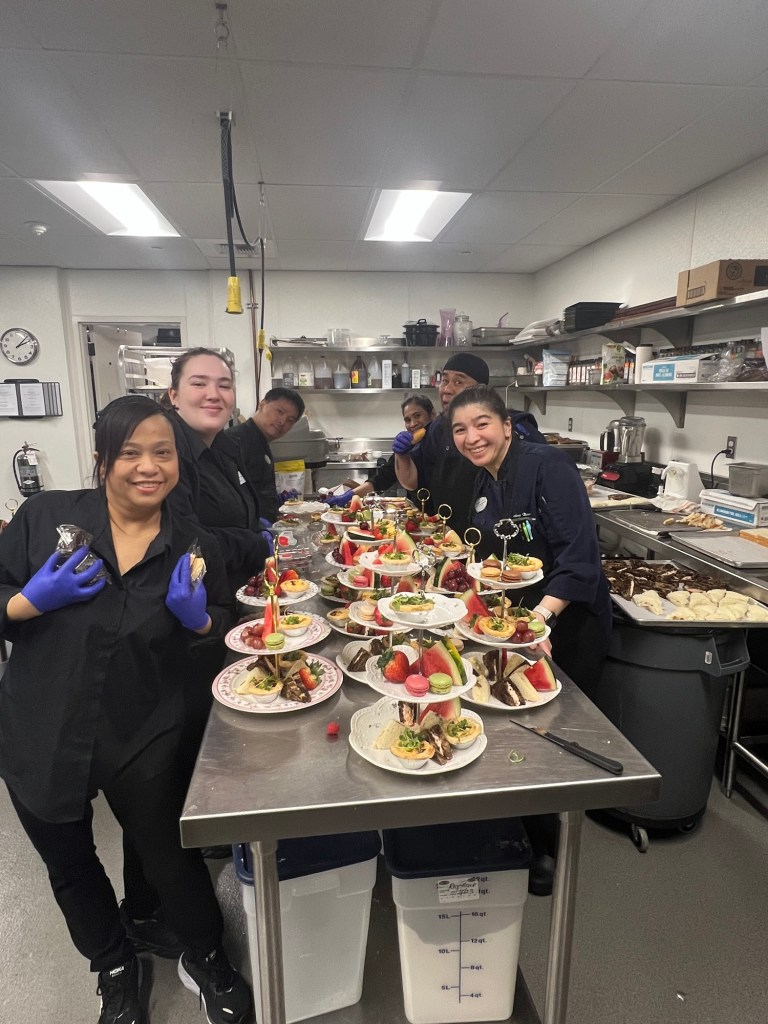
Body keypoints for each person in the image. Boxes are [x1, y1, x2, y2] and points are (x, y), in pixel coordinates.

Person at [0, 396, 251, 1024]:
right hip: (43, 726)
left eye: (162, 452)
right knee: (70, 864)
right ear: (102, 458)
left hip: (146, 729)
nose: (148, 466)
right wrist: (27, 602)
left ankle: (205, 954)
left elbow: (225, 625)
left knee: (170, 856)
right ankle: (114, 965)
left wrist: (200, 621)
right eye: (130, 452)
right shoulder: (44, 518)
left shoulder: (191, 542)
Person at [448, 384, 613, 894]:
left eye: (481, 424)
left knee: (552, 736)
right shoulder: (484, 477)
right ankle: (520, 831)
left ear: (506, 425)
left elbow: (580, 556)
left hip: (567, 620)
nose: (471, 437)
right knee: (515, 726)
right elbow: (492, 556)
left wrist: (539, 620)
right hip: (515, 623)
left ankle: (551, 850)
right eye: (460, 429)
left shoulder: (549, 468)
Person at [394, 353, 546, 534]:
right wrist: (402, 455)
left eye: (458, 382)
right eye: (444, 380)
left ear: (480, 389)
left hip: (500, 537)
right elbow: (411, 483)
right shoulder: (437, 428)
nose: (447, 389)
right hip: (449, 538)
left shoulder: (514, 427)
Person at [163, 347, 272, 593]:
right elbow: (186, 543)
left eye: (224, 385)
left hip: (238, 592)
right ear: (174, 395)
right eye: (199, 384)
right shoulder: (167, 455)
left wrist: (257, 526)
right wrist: (254, 543)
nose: (213, 395)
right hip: (199, 602)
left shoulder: (225, 447)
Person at [324, 393, 436, 506]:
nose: (412, 424)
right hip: (420, 511)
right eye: (407, 420)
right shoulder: (406, 446)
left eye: (417, 416)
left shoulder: (440, 441)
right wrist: (349, 495)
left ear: (432, 414)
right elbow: (382, 478)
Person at [218, 386, 305, 524]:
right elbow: (226, 497)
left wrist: (273, 501)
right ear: (262, 405)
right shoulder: (234, 441)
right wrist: (257, 523)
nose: (282, 421)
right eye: (279, 412)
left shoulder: (261, 442)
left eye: (290, 420)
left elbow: (254, 488)